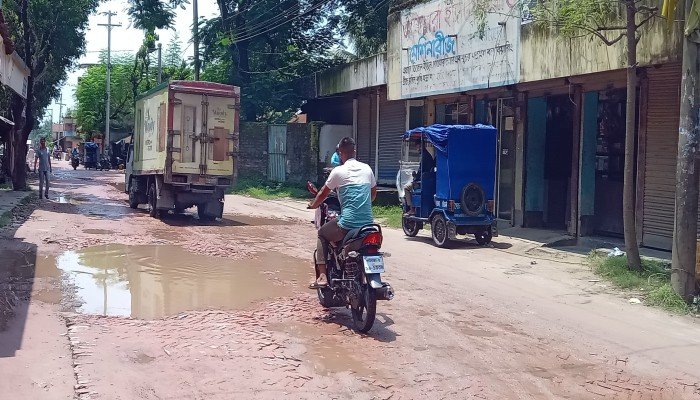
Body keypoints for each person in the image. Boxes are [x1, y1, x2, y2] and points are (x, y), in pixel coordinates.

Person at [308, 137, 377, 288]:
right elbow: (373, 195)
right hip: (368, 225)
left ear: (340, 153)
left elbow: (322, 194)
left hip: (348, 224)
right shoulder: (367, 169)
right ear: (354, 151)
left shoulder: (338, 171)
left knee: (322, 234)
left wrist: (313, 205)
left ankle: (323, 276)